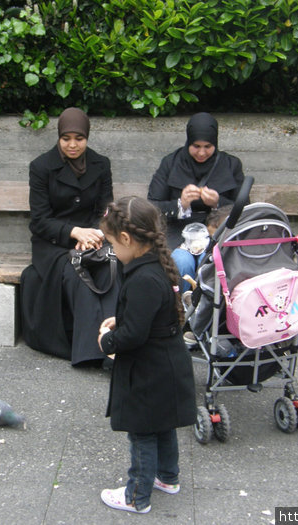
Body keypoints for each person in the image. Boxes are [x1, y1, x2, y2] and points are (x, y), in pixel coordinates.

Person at [97, 196, 196, 514]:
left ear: (126, 239)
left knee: (142, 433)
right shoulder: (156, 264)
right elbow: (148, 316)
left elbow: (134, 335)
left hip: (148, 370)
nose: (113, 250)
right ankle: (167, 478)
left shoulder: (142, 278)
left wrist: (108, 340)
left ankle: (136, 496)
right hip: (167, 362)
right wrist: (123, 319)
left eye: (112, 244)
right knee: (163, 424)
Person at [20, 107, 117, 367]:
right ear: (59, 137)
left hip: (92, 240)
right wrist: (73, 232)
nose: (72, 145)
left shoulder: (101, 164)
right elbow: (40, 221)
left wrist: (95, 233)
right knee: (78, 273)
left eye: (79, 139)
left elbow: (104, 211)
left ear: (87, 137)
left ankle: (116, 343)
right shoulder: (41, 167)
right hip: (53, 245)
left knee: (111, 267)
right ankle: (92, 351)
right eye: (66, 139)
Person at [147, 112, 245, 290]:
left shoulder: (231, 165)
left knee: (210, 260)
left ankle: (207, 313)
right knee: (181, 261)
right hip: (178, 232)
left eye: (208, 146)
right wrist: (180, 205)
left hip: (216, 232)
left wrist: (218, 203)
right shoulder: (171, 162)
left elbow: (243, 208)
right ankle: (184, 310)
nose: (201, 152)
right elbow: (152, 205)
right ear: (188, 142)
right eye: (196, 146)